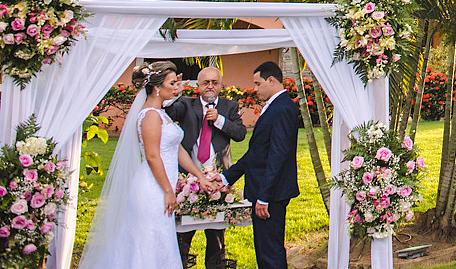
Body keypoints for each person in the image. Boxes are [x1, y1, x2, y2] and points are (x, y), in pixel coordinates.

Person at [78, 61, 219, 269]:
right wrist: (168, 191)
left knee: (160, 241)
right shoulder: (150, 116)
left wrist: (200, 176)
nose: (175, 87)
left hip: (161, 186)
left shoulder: (161, 113)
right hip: (153, 189)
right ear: (156, 87)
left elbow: (177, 150)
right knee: (148, 242)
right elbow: (153, 157)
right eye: (171, 83)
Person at [166, 66, 248, 269]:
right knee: (183, 234)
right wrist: (175, 91)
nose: (210, 86)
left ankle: (216, 264)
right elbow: (167, 111)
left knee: (216, 236)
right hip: (188, 178)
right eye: (205, 83)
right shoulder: (186, 104)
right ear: (198, 86)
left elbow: (240, 134)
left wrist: (219, 120)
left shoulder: (230, 106)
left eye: (214, 82)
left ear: (220, 85)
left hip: (218, 179)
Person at [222, 61, 300, 269]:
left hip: (271, 194)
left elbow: (278, 155)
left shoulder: (282, 108)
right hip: (266, 191)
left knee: (270, 253)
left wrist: (264, 197)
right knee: (265, 251)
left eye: (257, 84)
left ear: (271, 80)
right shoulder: (276, 106)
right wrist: (225, 178)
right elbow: (256, 153)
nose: (255, 89)